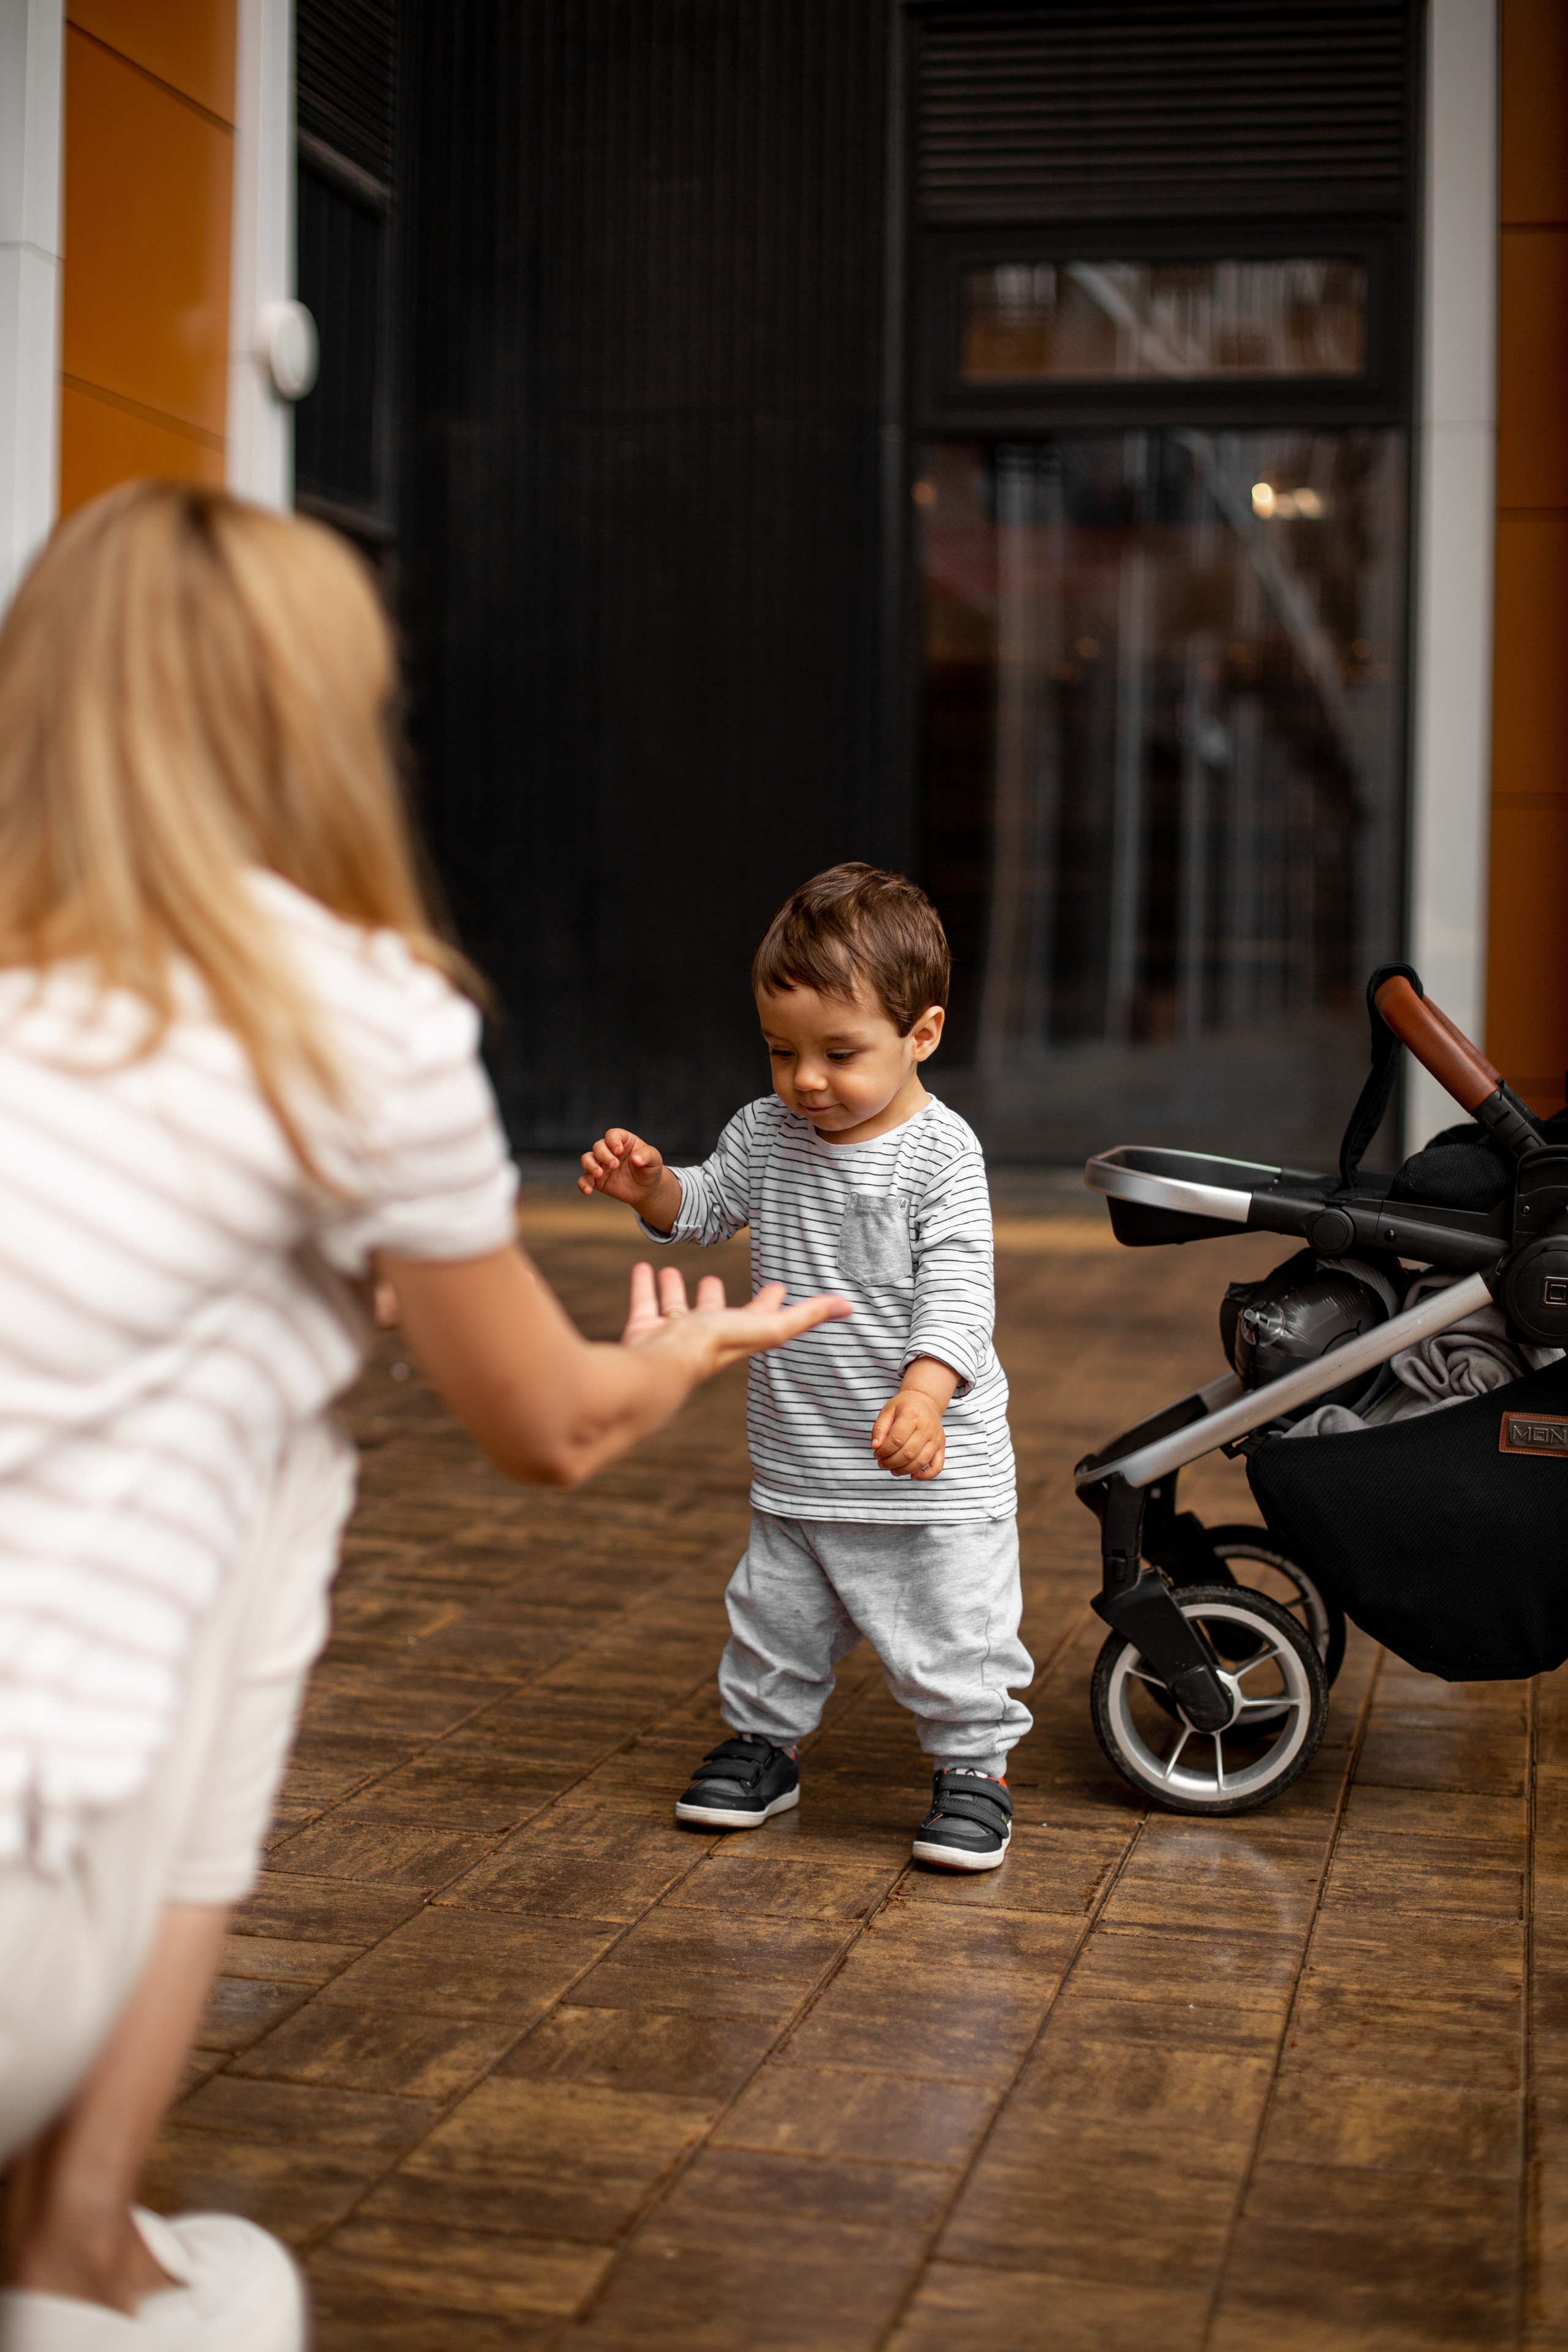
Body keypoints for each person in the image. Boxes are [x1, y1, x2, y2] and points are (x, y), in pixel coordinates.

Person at [0, 483, 848, 2352]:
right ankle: (74, 2251)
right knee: (285, 1445)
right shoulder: (336, 1005)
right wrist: (685, 1358)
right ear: (315, 719)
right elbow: (545, 1428)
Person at [579, 862, 1033, 1872]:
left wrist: (924, 1397)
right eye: (782, 1052)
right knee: (773, 1620)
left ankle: (973, 1767)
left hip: (929, 1469)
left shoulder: (941, 1156)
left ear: (923, 1036)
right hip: (801, 1457)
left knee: (952, 1630)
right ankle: (765, 1747)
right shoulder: (766, 1132)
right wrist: (652, 1189)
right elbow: (702, 1210)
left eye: (840, 1053)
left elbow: (960, 1293)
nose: (806, 1081)